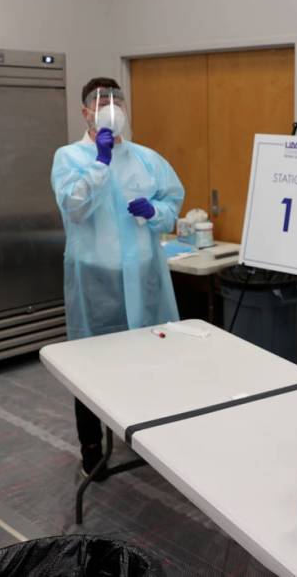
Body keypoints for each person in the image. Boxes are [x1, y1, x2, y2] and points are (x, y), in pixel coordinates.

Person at [51, 77, 185, 478]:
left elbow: (172, 200)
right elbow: (73, 207)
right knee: (91, 367)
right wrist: (100, 164)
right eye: (100, 101)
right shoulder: (70, 157)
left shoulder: (147, 158)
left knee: (148, 362)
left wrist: (154, 212)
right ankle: (91, 448)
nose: (110, 107)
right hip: (96, 281)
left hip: (143, 277)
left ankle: (147, 437)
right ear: (85, 112)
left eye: (116, 100)